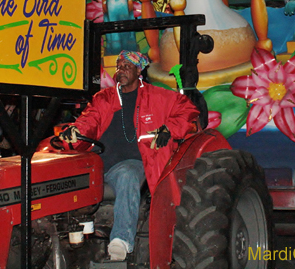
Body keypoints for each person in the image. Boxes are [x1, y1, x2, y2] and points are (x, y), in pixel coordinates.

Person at [58, 50, 198, 261]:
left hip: (135, 163)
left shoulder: (158, 96)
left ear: (138, 70)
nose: (120, 70)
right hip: (99, 164)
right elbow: (89, 120)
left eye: (126, 66)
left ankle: (122, 240)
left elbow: (188, 111)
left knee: (127, 175)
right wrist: (76, 131)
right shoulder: (104, 98)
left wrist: (168, 129)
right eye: (118, 66)